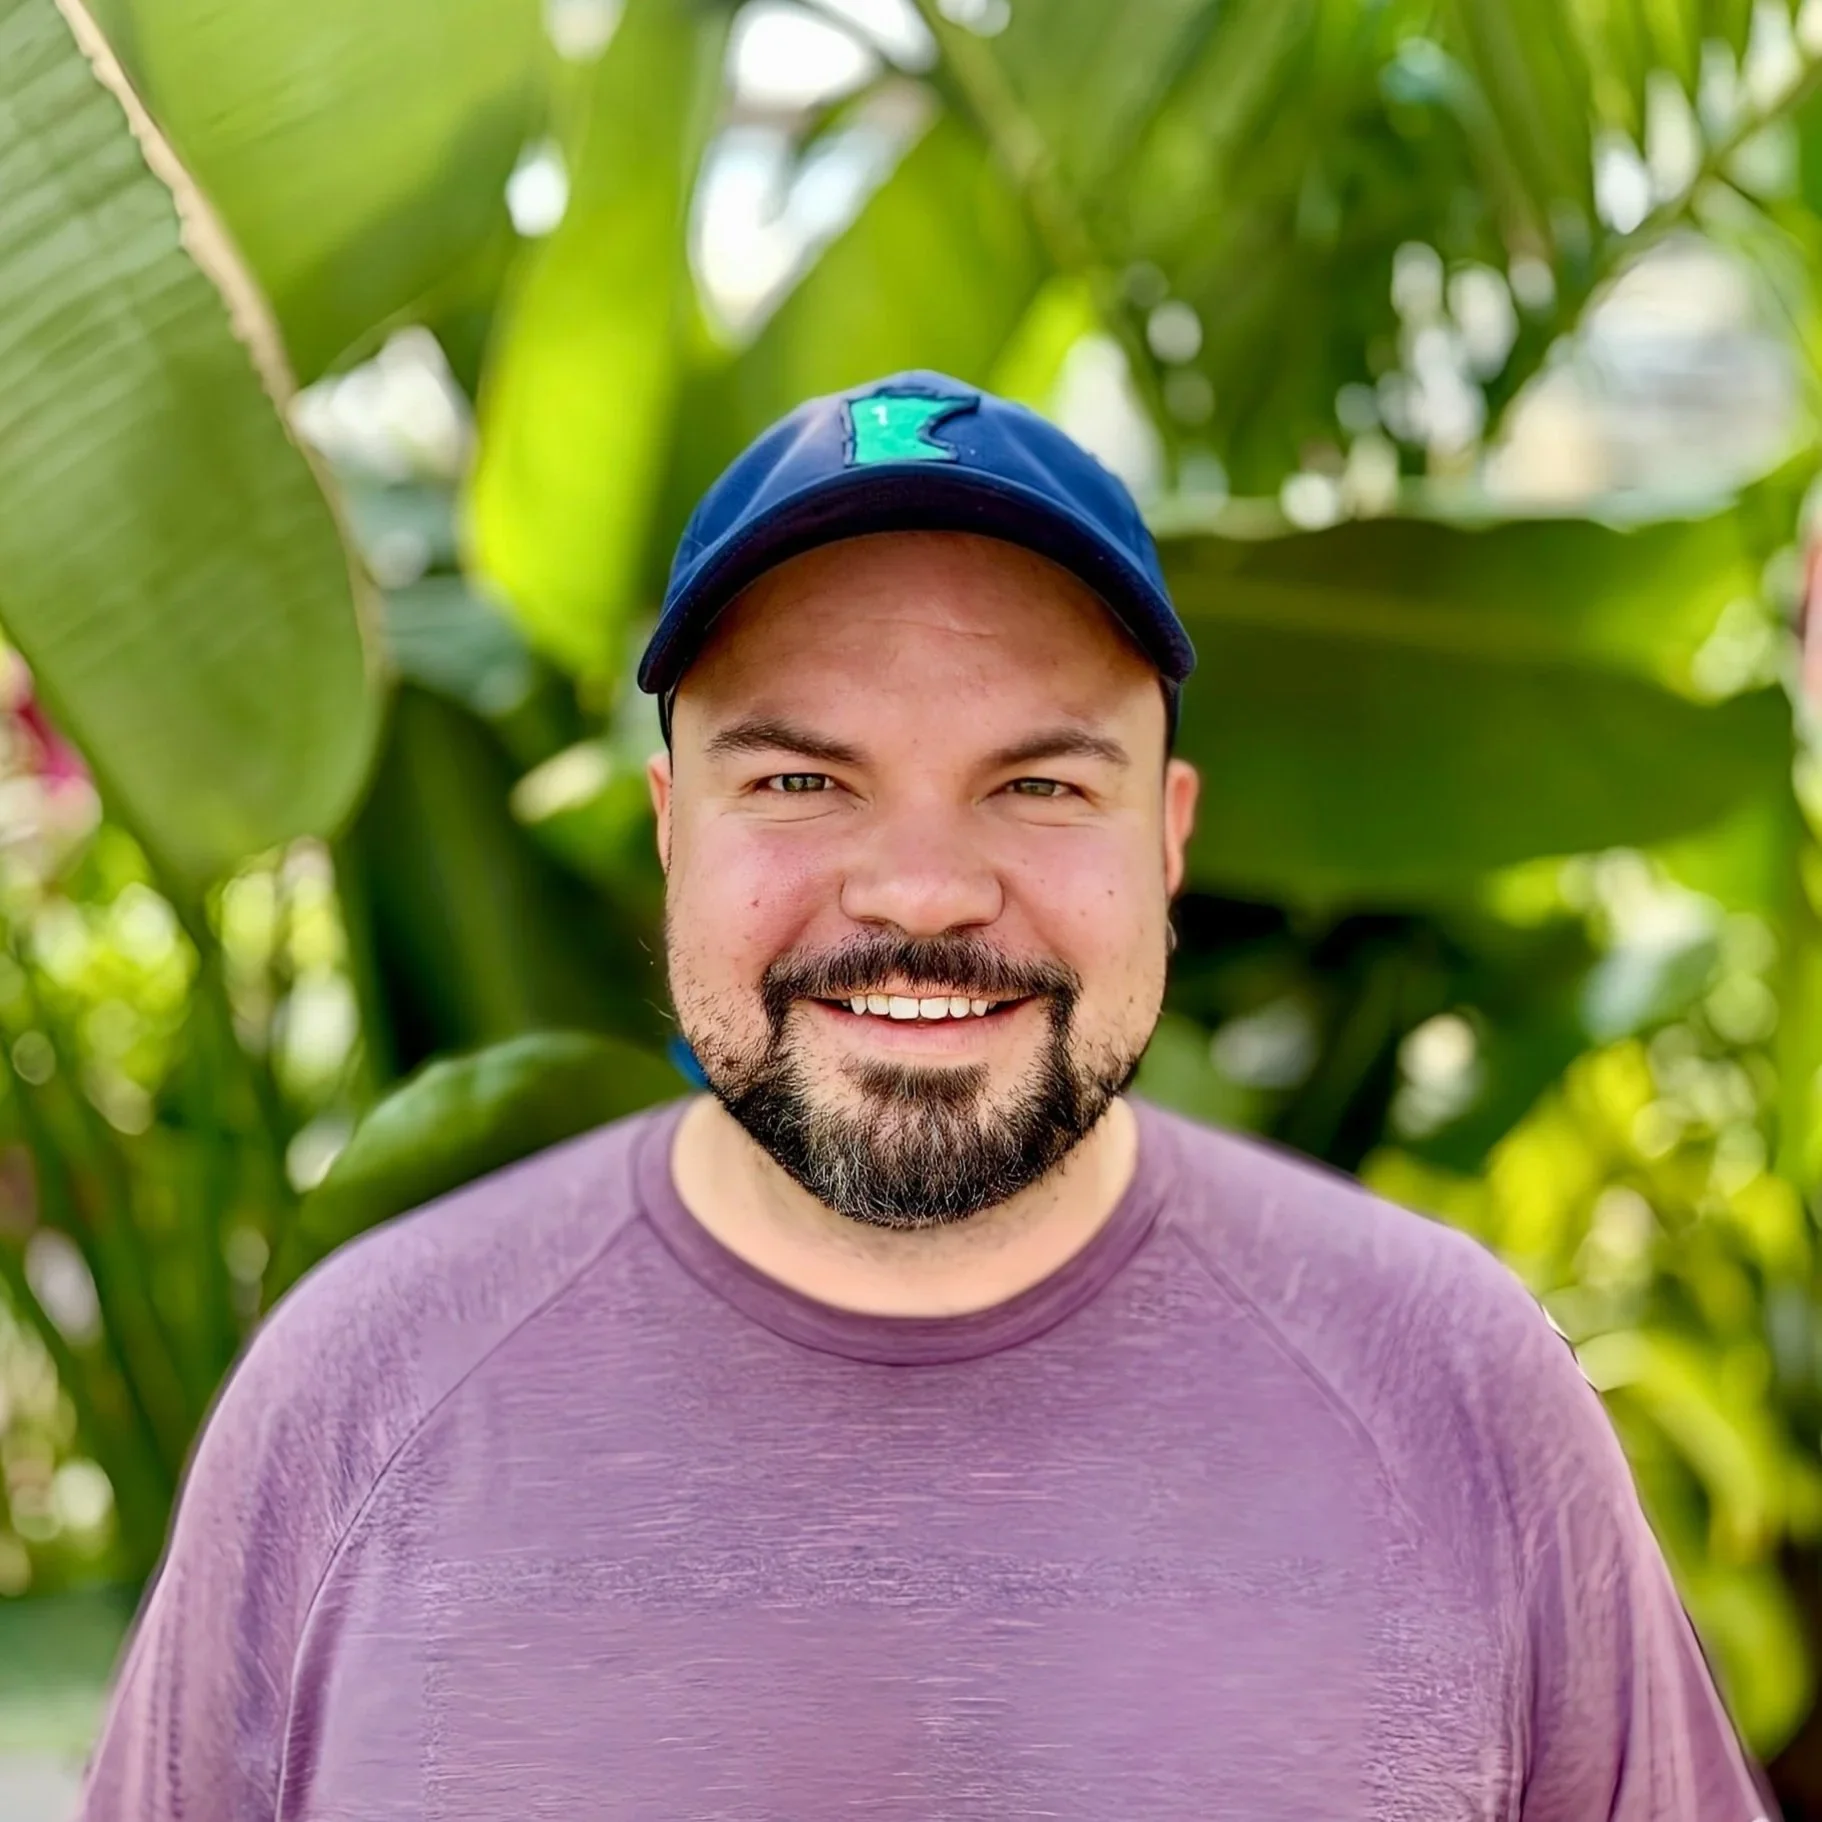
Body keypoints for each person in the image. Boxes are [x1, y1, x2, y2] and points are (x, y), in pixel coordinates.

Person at [80, 371, 1772, 1820]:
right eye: (803, 778)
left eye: (1034, 781)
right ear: (673, 827)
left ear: (1166, 836)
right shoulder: (356, 1400)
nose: (917, 889)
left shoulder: (1453, 1392)